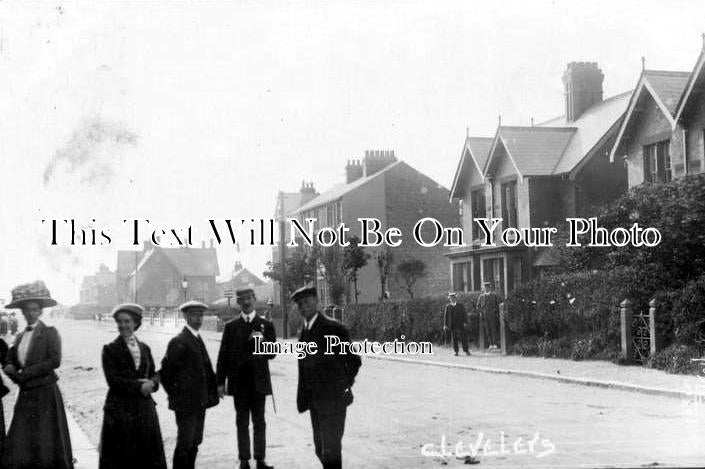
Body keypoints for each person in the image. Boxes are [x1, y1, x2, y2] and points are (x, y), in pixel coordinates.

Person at [2, 280, 73, 469]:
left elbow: (54, 361)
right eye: (26, 310)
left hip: (45, 393)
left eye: (34, 309)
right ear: (22, 312)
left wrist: (22, 375)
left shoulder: (50, 333)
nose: (30, 313)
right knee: (23, 439)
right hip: (26, 395)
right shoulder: (19, 337)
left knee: (46, 438)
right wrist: (10, 369)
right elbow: (10, 361)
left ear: (40, 310)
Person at [292, 285, 361, 469]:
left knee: (331, 451)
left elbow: (354, 361)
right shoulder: (304, 331)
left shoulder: (333, 328)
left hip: (333, 401)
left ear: (317, 301)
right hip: (315, 402)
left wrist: (341, 385)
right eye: (299, 304)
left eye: (306, 302)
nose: (303, 306)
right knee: (319, 449)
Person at [99, 303, 166, 469]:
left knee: (146, 457)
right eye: (120, 322)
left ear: (135, 323)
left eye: (127, 321)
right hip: (120, 411)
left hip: (144, 410)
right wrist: (139, 387)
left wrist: (153, 383)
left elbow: (152, 375)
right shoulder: (110, 349)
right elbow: (113, 381)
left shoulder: (145, 348)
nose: (123, 325)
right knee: (122, 457)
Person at [216, 288, 277, 469]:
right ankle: (243, 460)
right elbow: (223, 356)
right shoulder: (231, 327)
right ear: (238, 303)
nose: (246, 302)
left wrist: (262, 342)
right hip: (239, 384)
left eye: (249, 298)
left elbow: (272, 354)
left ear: (255, 299)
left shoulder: (266, 325)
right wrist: (220, 382)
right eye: (242, 299)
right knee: (241, 422)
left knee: (259, 422)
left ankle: (260, 459)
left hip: (259, 383)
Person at [160, 300, 219, 469]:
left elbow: (207, 370)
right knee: (185, 443)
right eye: (194, 315)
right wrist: (178, 396)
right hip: (186, 405)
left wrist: (215, 388)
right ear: (185, 316)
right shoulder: (179, 341)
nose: (198, 319)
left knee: (195, 442)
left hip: (200, 401)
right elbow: (166, 373)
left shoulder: (196, 338)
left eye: (200, 315)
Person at [476, 282, 501, 350]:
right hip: (485, 315)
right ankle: (490, 344)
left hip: (492, 315)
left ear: (490, 288)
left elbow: (498, 304)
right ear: (484, 288)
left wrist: (494, 310)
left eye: (487, 287)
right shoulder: (481, 297)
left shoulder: (494, 295)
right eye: (485, 287)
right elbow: (478, 306)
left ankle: (495, 343)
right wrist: (481, 312)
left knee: (493, 329)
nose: (486, 288)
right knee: (487, 329)